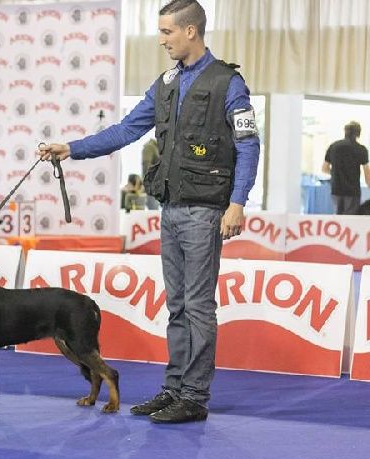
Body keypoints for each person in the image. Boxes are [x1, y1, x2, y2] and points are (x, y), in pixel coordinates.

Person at [39, 0, 259, 424]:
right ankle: (174, 388)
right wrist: (72, 149)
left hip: (205, 211)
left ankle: (193, 397)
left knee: (197, 307)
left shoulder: (228, 83)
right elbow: (127, 129)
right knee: (177, 306)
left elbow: (249, 145)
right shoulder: (167, 82)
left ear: (191, 31)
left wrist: (237, 203)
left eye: (167, 32)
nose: (161, 40)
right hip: (171, 208)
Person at [321, 121, 369, 214]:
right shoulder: (361, 149)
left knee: (339, 217)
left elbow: (324, 168)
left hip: (336, 189)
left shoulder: (333, 146)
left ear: (345, 132)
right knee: (351, 218)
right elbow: (367, 173)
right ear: (358, 133)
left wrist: (335, 172)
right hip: (352, 191)